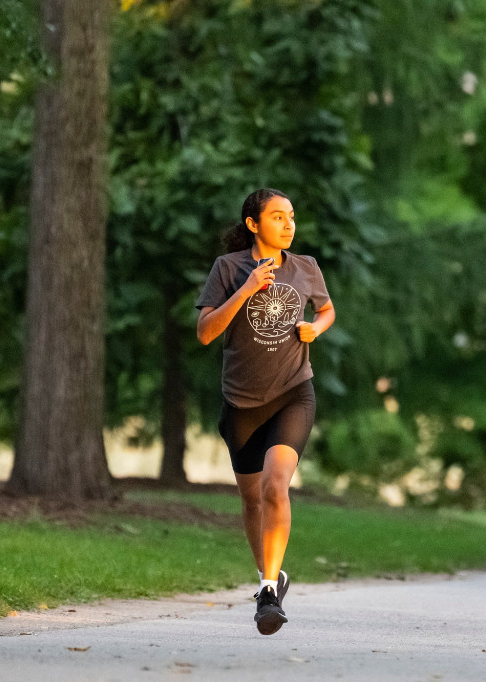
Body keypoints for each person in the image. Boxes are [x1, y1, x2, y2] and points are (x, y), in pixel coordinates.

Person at [196, 188, 336, 635]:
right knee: (252, 499)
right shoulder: (228, 268)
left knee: (277, 486)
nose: (289, 224)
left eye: (292, 216)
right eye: (278, 217)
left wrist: (315, 327)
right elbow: (205, 332)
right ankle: (269, 577)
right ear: (254, 224)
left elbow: (327, 310)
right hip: (240, 403)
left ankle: (268, 593)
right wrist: (247, 288)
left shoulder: (306, 267)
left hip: (293, 392)